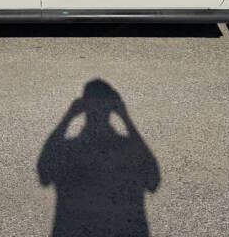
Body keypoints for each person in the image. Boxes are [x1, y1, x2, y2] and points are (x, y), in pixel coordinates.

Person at [37, 79, 160, 237]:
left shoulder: (69, 149)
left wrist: (67, 117)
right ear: (113, 108)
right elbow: (152, 180)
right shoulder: (127, 148)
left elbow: (44, 173)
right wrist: (126, 119)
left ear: (83, 107)